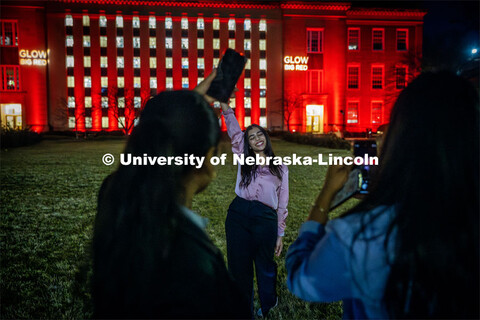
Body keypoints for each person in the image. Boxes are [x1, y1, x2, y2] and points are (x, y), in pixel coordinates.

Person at [286, 71, 479, 319]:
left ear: (405, 137)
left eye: (391, 122)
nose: (382, 130)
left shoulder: (363, 236)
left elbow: (301, 278)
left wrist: (325, 197)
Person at [92, 71, 250, 319]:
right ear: (208, 159)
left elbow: (156, 133)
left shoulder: (118, 203)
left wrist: (191, 105)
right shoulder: (192, 265)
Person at [220, 101, 289, 317]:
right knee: (239, 267)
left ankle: (269, 303)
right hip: (238, 214)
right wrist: (225, 106)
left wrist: (280, 233)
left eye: (260, 134)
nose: (256, 138)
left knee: (265, 265)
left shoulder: (280, 168)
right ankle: (243, 309)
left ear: (266, 138)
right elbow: (234, 131)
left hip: (266, 219)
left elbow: (283, 203)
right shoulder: (244, 157)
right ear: (248, 143)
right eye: (251, 137)